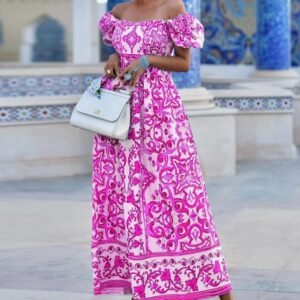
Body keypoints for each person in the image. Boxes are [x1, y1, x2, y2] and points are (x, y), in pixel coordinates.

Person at [91, 0, 234, 299]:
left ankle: (217, 283)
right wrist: (114, 56)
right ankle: (142, 282)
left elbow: (183, 62)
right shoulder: (119, 12)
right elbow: (118, 49)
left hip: (159, 113)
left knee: (180, 193)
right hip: (120, 114)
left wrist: (147, 61)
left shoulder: (173, 7)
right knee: (128, 197)